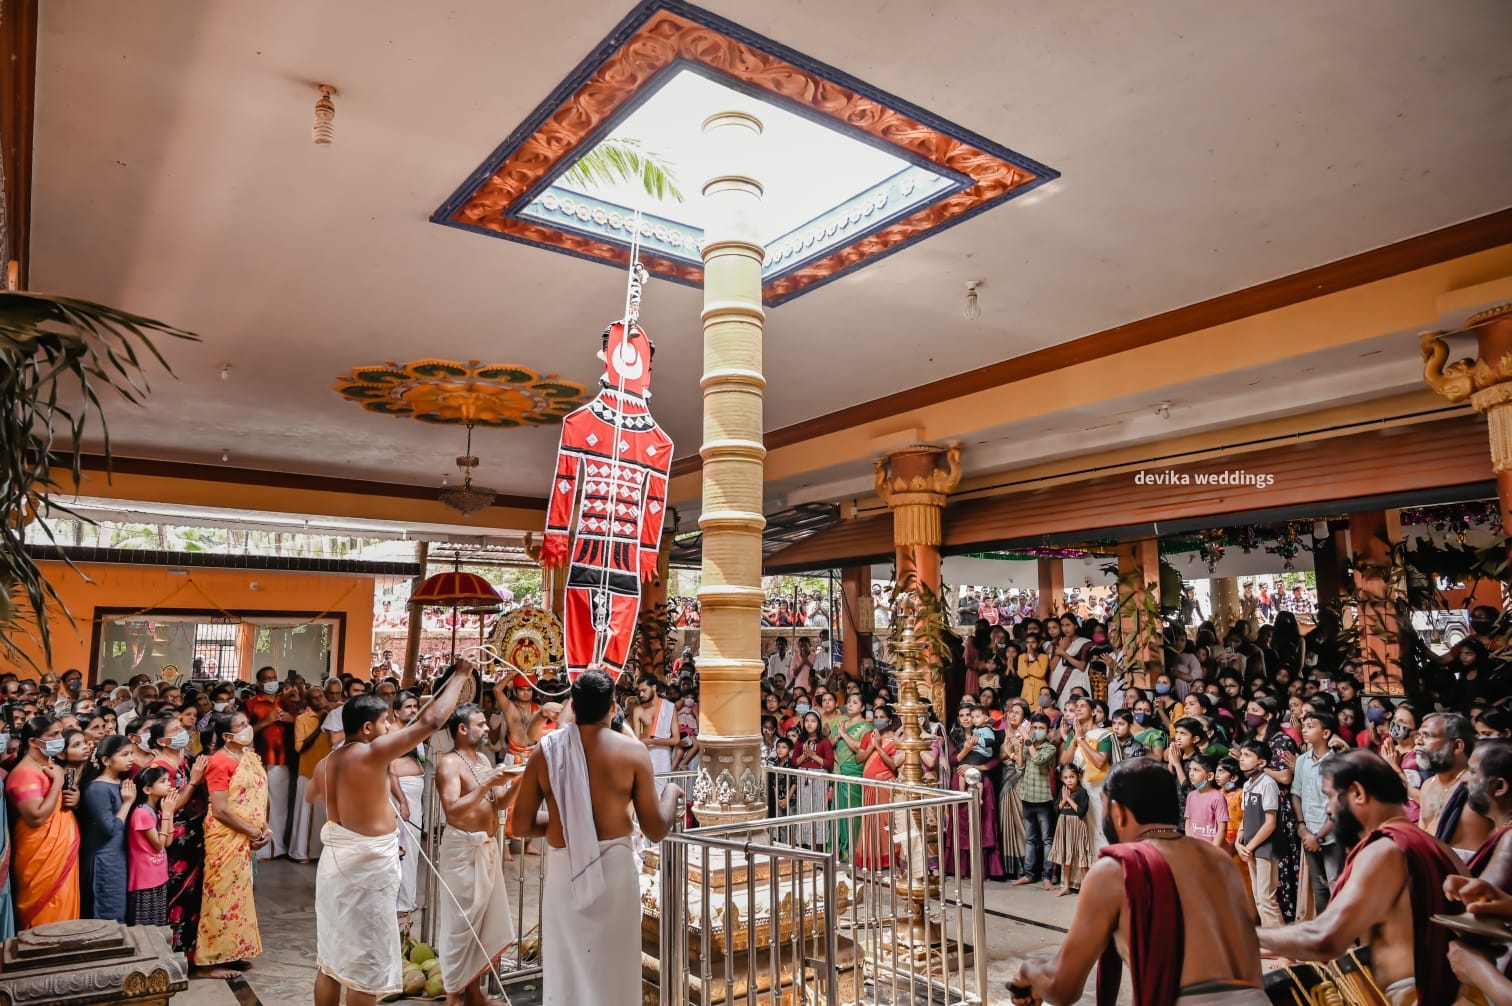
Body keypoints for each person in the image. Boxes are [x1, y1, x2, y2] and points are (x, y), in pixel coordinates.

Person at [1012, 759, 1265, 1005]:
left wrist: (1028, 969)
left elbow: (1062, 989)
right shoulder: (1219, 860)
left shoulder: (1115, 870)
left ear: (1118, 813)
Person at [509, 669, 684, 1006]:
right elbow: (655, 829)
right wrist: (673, 792)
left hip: (565, 870)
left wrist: (572, 825)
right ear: (613, 707)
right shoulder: (633, 753)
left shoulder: (546, 752)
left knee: (568, 966)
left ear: (572, 706)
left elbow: (520, 825)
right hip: (615, 874)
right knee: (613, 966)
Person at [313, 662, 469, 1006]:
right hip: (363, 869)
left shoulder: (330, 760)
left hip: (337, 863)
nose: (391, 728)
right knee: (365, 967)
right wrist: (460, 676)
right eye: (386, 722)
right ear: (368, 728)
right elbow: (429, 723)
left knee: (331, 960)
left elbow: (315, 795)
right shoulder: (369, 753)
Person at [1257, 750, 1467, 1006]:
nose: (1328, 808)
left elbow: (1324, 938)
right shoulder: (1438, 846)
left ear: (1357, 793)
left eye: (1332, 796)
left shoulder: (1383, 849)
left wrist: (1248, 934)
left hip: (1407, 996)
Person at [434, 703, 519, 1006]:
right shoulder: (449, 764)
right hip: (462, 849)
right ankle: (454, 994)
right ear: (462, 729)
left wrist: (516, 782)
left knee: (484, 925)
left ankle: (474, 994)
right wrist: (486, 784)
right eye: (480, 724)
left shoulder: (483, 759)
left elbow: (497, 805)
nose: (487, 728)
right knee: (461, 925)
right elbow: (452, 809)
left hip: (487, 846)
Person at [197, 710, 270, 973]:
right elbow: (220, 809)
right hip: (225, 836)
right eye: (241, 725)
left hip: (245, 833)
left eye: (247, 723)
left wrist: (263, 828)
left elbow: (256, 797)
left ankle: (232, 951)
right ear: (228, 736)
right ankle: (210, 961)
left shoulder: (248, 757)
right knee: (219, 895)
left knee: (239, 895)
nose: (247, 727)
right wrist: (251, 831)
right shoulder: (219, 761)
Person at [147, 716, 210, 971]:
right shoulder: (160, 767)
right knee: (178, 892)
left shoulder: (185, 759)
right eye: (175, 731)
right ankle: (173, 953)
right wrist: (194, 781)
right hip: (175, 832)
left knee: (193, 893)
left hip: (192, 831)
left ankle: (190, 952)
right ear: (162, 740)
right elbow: (171, 805)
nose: (182, 732)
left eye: (182, 728)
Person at [7, 714, 81, 928]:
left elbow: (58, 805)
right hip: (41, 860)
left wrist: (74, 800)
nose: (60, 739)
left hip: (63, 855)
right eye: (54, 735)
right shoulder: (24, 774)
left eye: (61, 733)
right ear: (33, 742)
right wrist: (57, 782)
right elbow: (36, 816)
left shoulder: (50, 765)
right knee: (46, 919)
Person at [1417, 712, 1494, 861]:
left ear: (1457, 746)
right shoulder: (1427, 785)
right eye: (1418, 736)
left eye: (1427, 735)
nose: (1419, 741)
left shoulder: (1478, 787)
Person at [78, 734, 136, 922]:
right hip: (104, 859)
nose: (131, 759)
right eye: (125, 754)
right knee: (107, 912)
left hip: (118, 855)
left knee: (119, 909)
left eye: (132, 754)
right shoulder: (98, 789)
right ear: (106, 760)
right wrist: (127, 803)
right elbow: (109, 828)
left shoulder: (120, 783)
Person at [1288, 710, 1342, 916]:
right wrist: (1302, 828)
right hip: (1308, 831)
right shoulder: (1302, 760)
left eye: (1311, 726)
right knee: (1318, 886)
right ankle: (1323, 933)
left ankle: (1343, 936)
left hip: (1331, 834)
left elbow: (1339, 804)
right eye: (1304, 725)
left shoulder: (1337, 762)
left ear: (1326, 733)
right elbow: (1296, 793)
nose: (1305, 729)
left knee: (1335, 883)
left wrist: (1318, 836)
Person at [126, 765, 177, 927]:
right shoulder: (141, 812)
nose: (169, 784)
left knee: (158, 923)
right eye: (163, 781)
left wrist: (168, 813)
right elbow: (158, 845)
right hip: (144, 879)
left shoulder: (155, 810)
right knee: (147, 927)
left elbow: (167, 842)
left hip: (158, 875)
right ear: (147, 789)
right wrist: (168, 813)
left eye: (168, 780)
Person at [392, 692, 427, 919]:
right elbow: (389, 769)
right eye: (407, 707)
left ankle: (407, 899)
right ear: (396, 711)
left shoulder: (415, 733)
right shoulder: (390, 733)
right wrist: (403, 802)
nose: (413, 710)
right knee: (401, 848)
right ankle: (400, 903)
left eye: (415, 706)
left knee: (412, 850)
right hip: (400, 796)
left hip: (414, 794)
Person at [1049, 764, 1093, 896]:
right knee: (1066, 857)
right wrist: (1063, 801)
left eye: (1072, 777)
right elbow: (1055, 810)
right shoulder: (1062, 790)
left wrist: (1068, 799)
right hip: (1064, 825)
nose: (1069, 780)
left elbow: (1081, 812)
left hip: (1078, 826)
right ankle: (1066, 886)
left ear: (1078, 777)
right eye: (1066, 778)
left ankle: (1086, 887)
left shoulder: (1082, 792)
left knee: (1081, 856)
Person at [629, 674, 678, 791]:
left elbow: (676, 739)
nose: (641, 694)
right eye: (639, 691)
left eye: (644, 690)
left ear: (654, 688)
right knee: (644, 790)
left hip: (662, 755)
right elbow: (636, 740)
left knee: (661, 791)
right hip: (645, 753)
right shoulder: (638, 710)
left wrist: (651, 741)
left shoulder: (669, 707)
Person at [1183, 755, 1228, 848]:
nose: (1191, 773)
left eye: (1196, 770)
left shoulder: (1217, 797)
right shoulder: (1191, 796)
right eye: (1190, 769)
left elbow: (1222, 829)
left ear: (1210, 776)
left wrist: (1212, 851)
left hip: (1212, 851)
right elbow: (1188, 822)